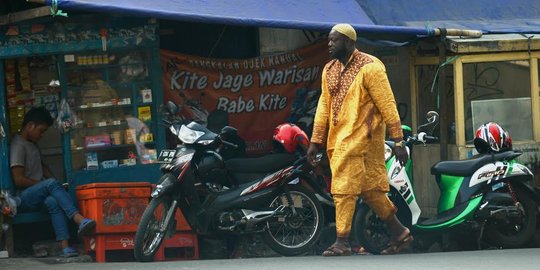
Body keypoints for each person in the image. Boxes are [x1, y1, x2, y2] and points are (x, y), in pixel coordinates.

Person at [307, 24, 412, 256]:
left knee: (343, 188)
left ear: (349, 42)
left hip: (361, 140)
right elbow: (323, 106)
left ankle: (342, 241)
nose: (329, 44)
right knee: (371, 190)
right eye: (329, 40)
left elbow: (388, 104)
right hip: (339, 138)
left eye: (335, 40)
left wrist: (398, 141)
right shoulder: (329, 69)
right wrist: (316, 140)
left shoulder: (371, 67)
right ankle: (399, 232)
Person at [10, 106, 96, 257]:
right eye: (41, 130)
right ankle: (78, 219)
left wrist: (55, 185)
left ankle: (65, 247)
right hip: (23, 198)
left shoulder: (32, 144)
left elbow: (43, 167)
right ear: (30, 125)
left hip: (38, 195)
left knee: (53, 201)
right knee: (50, 185)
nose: (41, 135)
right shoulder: (18, 145)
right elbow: (18, 179)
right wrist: (47, 185)